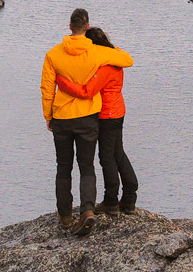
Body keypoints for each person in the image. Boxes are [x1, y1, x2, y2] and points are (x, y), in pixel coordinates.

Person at [41, 7, 133, 236]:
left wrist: (48, 116)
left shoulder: (53, 54)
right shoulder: (98, 53)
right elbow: (127, 60)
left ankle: (64, 217)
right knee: (87, 166)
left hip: (61, 118)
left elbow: (46, 89)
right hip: (88, 118)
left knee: (63, 167)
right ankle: (88, 211)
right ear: (87, 26)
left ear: (70, 26)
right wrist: (113, 48)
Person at [54, 25, 137, 216]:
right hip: (118, 112)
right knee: (118, 154)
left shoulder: (105, 68)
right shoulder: (115, 56)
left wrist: (63, 83)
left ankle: (111, 201)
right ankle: (130, 197)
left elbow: (87, 91)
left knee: (106, 158)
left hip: (106, 115)